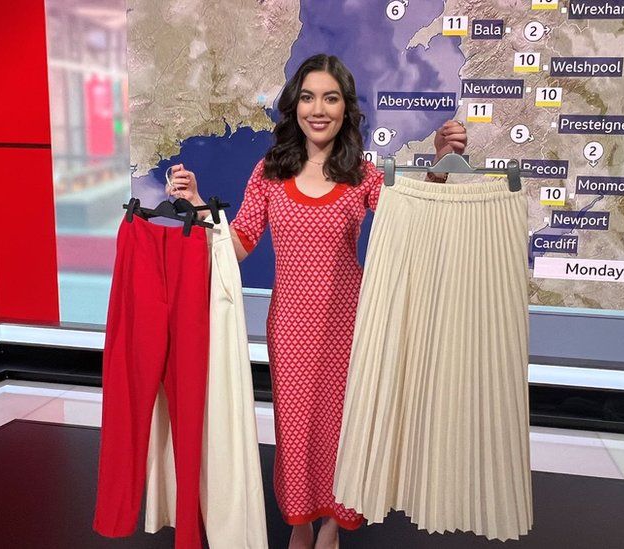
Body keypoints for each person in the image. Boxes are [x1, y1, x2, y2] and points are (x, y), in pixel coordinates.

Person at [167, 53, 467, 549]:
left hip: (351, 329)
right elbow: (239, 243)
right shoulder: (269, 171)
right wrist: (199, 204)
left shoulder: (362, 175)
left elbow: (408, 223)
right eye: (308, 97)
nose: (318, 108)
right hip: (290, 333)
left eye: (330, 97)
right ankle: (301, 520)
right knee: (298, 433)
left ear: (345, 108)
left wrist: (437, 167)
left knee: (341, 433)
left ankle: (332, 525)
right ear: (295, 106)